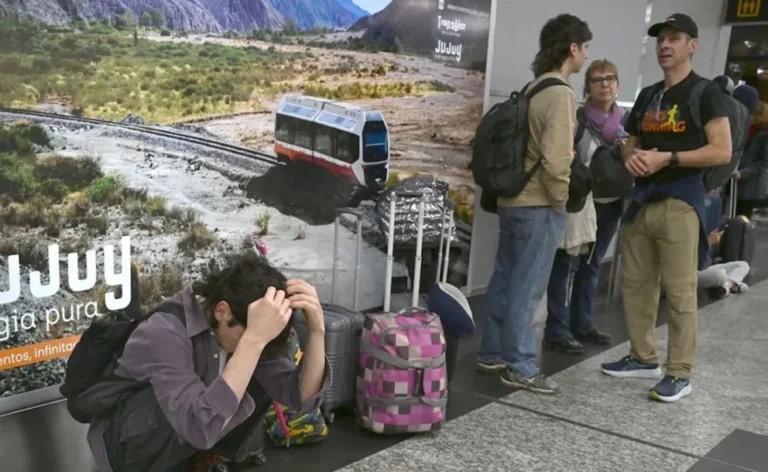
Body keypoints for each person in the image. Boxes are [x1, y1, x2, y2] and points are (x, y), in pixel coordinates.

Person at [85, 251, 331, 472]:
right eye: (253, 334)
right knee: (240, 365)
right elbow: (197, 427)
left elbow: (300, 397)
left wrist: (317, 329)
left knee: (250, 365)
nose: (258, 343)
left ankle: (204, 459)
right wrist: (253, 341)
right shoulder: (163, 332)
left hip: (189, 442)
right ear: (221, 311)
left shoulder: (245, 331)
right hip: (129, 452)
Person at [600, 13, 733, 403]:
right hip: (641, 201)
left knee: (679, 291)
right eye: (660, 39)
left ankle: (679, 372)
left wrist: (667, 160)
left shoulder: (705, 92)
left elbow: (721, 150)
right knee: (636, 286)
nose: (664, 45)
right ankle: (643, 357)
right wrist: (631, 156)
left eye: (674, 38)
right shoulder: (649, 94)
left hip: (680, 202)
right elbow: (631, 136)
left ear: (693, 44)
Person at [477, 13, 592, 394]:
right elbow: (558, 161)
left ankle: (492, 353)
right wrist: (560, 203)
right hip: (539, 206)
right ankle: (521, 365)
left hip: (512, 202)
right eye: (585, 47)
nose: (586, 56)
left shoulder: (533, 88)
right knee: (527, 290)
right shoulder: (560, 92)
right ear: (572, 48)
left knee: (505, 280)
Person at [543, 59, 625, 354]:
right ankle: (557, 329)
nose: (605, 84)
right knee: (565, 266)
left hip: (611, 204)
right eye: (598, 79)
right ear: (588, 87)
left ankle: (583, 323)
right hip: (580, 205)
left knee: (591, 267)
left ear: (618, 85)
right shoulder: (576, 120)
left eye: (610, 78)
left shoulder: (624, 124)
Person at [735, 98, 768, 219]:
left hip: (751, 183)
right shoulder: (748, 130)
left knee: (743, 216)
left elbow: (763, 163)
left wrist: (743, 173)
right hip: (739, 179)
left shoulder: (763, 135)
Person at [698, 228, 750, 298]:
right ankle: (734, 285)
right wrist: (709, 242)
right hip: (693, 272)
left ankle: (726, 286)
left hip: (705, 268)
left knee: (743, 265)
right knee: (720, 274)